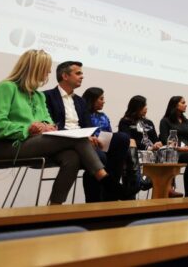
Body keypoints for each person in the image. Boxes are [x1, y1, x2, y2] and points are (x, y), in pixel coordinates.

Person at [0, 49, 124, 205]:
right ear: (35, 68)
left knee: (72, 157)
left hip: (34, 143)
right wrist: (28, 128)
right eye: (46, 69)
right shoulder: (7, 87)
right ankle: (106, 180)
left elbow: (48, 121)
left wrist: (48, 127)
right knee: (77, 139)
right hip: (8, 146)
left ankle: (55, 208)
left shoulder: (38, 96)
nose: (50, 72)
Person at [44, 61, 131, 202]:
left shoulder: (80, 101)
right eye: (78, 73)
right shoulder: (47, 96)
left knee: (122, 138)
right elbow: (50, 125)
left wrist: (90, 136)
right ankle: (96, 199)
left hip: (85, 139)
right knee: (100, 157)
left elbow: (88, 125)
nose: (82, 76)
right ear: (65, 76)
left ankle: (110, 195)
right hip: (65, 141)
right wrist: (83, 137)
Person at [83, 87, 151, 196]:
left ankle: (135, 180)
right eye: (101, 99)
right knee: (128, 140)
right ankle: (136, 181)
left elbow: (109, 132)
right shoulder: (84, 114)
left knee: (124, 141)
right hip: (91, 144)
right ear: (92, 99)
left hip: (106, 144)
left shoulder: (103, 116)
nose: (104, 101)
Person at [118, 95, 183, 198]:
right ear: (136, 107)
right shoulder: (125, 122)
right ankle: (140, 183)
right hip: (136, 153)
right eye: (143, 106)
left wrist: (158, 143)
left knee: (169, 151)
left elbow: (155, 138)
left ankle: (168, 188)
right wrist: (148, 148)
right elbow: (128, 141)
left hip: (154, 153)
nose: (146, 108)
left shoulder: (148, 122)